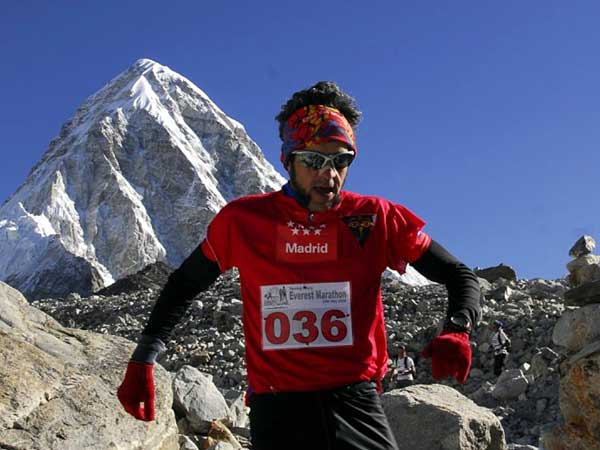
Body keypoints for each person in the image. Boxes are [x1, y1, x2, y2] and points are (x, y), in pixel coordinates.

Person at [117, 81, 482, 450]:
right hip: (277, 408)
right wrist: (143, 358)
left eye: (341, 160)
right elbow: (184, 285)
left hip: (354, 402)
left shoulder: (376, 218)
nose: (330, 175)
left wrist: (458, 328)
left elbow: (459, 275)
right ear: (287, 159)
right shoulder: (243, 221)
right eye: (314, 160)